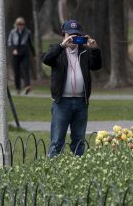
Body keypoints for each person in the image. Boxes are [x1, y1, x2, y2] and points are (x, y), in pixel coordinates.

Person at [42, 19, 102, 158]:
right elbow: (46, 59)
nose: (73, 39)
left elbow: (96, 66)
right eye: (71, 35)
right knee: (57, 141)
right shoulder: (58, 51)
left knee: (79, 141)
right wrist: (62, 46)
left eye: (76, 36)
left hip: (81, 102)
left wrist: (95, 50)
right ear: (64, 34)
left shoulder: (85, 52)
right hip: (62, 102)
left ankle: (77, 170)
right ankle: (53, 169)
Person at [8, 17, 34, 94]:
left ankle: (27, 86)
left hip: (24, 53)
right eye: (19, 24)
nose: (21, 26)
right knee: (16, 72)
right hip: (15, 53)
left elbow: (30, 44)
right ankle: (18, 88)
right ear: (16, 24)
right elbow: (10, 42)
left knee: (25, 69)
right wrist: (13, 49)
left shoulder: (27, 32)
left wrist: (34, 54)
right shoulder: (13, 32)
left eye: (22, 24)